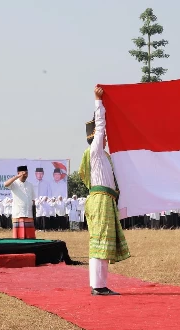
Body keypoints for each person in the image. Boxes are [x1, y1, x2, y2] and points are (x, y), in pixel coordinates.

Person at [79, 86, 130, 296]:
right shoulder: (95, 152)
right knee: (99, 242)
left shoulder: (105, 158)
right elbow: (100, 127)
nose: (105, 137)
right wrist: (98, 102)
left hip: (106, 200)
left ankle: (100, 284)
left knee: (103, 242)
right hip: (100, 200)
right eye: (102, 136)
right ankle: (97, 286)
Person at [4, 166, 37, 239]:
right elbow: (5, 184)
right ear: (18, 173)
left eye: (26, 173)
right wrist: (17, 177)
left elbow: (33, 199)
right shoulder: (14, 184)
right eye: (23, 173)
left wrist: (34, 213)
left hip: (28, 214)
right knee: (18, 237)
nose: (25, 174)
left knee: (30, 237)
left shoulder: (30, 185)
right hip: (18, 214)